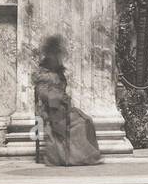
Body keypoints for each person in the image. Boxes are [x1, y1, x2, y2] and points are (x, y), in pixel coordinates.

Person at [33, 35, 103, 166]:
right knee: (78, 124)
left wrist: (63, 99)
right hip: (50, 110)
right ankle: (73, 157)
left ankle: (88, 155)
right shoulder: (43, 75)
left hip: (61, 107)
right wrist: (59, 98)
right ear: (50, 55)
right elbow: (44, 94)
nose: (58, 58)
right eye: (56, 55)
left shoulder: (58, 73)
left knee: (87, 120)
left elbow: (61, 91)